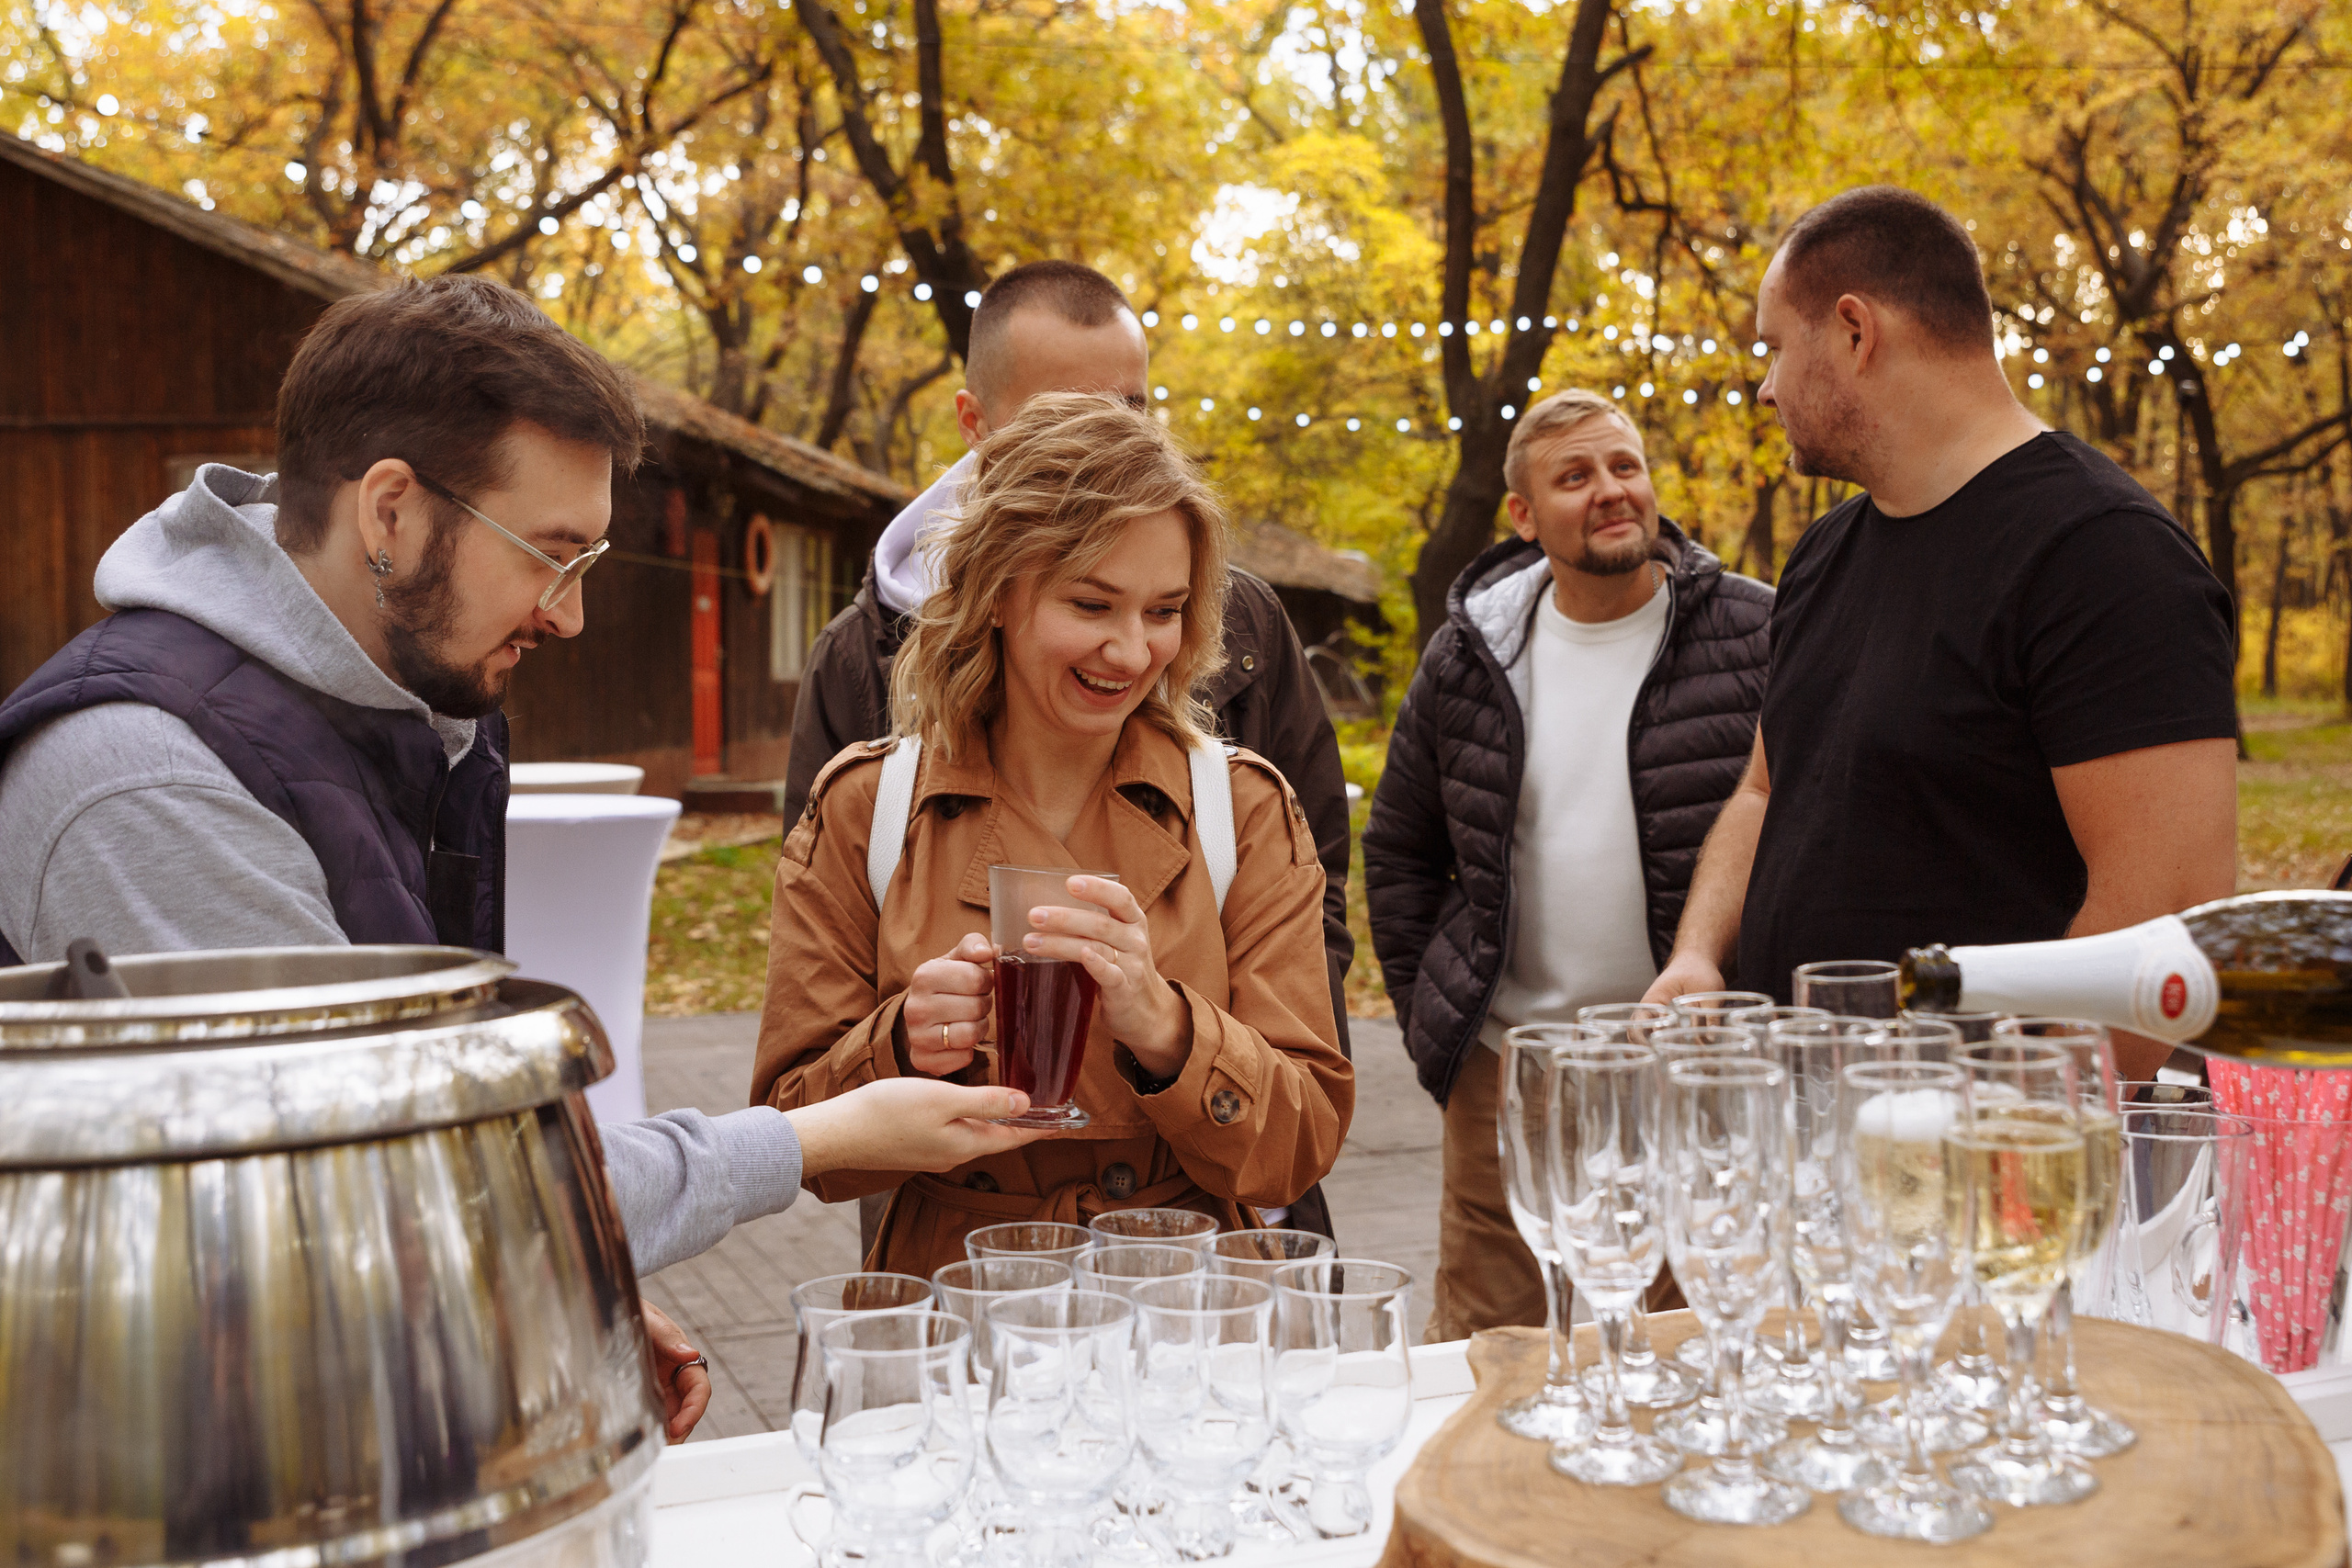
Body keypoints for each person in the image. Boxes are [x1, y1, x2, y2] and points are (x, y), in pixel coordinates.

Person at [0, 275, 1047, 1438]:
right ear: (389, 513)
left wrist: (542, 1280)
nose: (571, 615)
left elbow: (441, 1145)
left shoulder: (412, 709)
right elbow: (392, 1198)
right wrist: (810, 1141)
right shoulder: (151, 777)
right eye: (552, 555)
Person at [783, 262, 1355, 1245]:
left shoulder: (1242, 808)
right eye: (1090, 605)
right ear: (1000, 593)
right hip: (958, 1299)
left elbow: (1300, 1136)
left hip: (1188, 1300)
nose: (1132, 652)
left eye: (1165, 612)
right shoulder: (865, 808)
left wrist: (1166, 1025)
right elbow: (798, 1134)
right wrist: (903, 1044)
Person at [1642, 186, 2239, 1079]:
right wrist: (1697, 953)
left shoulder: (2104, 557)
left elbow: (2163, 924)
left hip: (1986, 1160)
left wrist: (2017, 1149)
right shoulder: (1821, 554)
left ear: (1853, 330)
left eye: (1772, 348)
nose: (1763, 387)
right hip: (1804, 1128)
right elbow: (1766, 790)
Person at [1363, 389, 1771, 1341]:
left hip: (1692, 1062)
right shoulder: (1471, 654)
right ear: (1522, 513)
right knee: (1486, 1345)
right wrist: (1444, 1018)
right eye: (1574, 476)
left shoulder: (1756, 632)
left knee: (1701, 1336)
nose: (1609, 492)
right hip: (1514, 1066)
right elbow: (1400, 847)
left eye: (1624, 467)